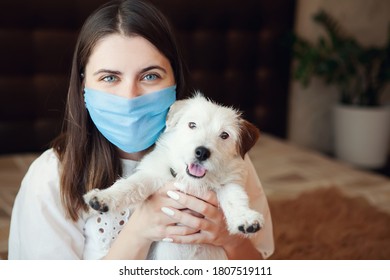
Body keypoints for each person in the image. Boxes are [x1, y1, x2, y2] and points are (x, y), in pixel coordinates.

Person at [8, 0, 274, 260]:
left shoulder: (222, 155)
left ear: (175, 80)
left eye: (150, 76)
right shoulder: (51, 179)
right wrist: (139, 231)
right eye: (109, 77)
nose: (130, 95)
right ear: (82, 86)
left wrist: (229, 238)